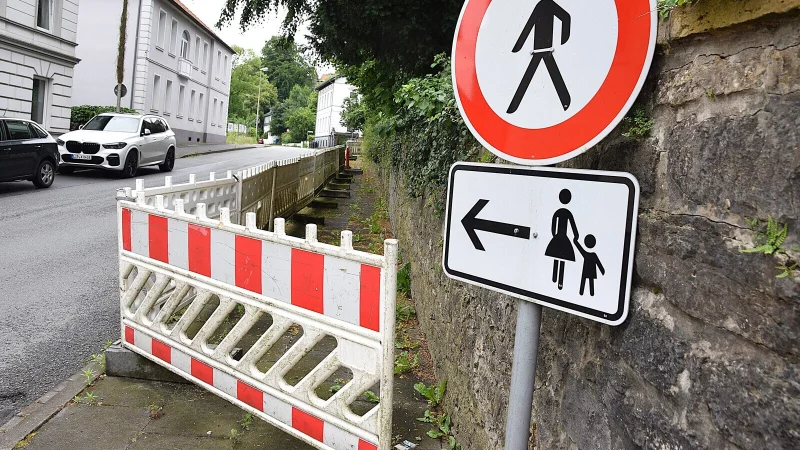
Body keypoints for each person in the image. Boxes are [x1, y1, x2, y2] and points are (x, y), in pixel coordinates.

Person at [545, 189, 579, 290]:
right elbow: (572, 226)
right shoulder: (566, 212)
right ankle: (557, 279)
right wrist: (576, 236)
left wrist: (554, 235)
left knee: (559, 257)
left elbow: (553, 225)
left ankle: (556, 279)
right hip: (562, 238)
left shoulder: (559, 212)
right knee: (560, 258)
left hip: (558, 237)